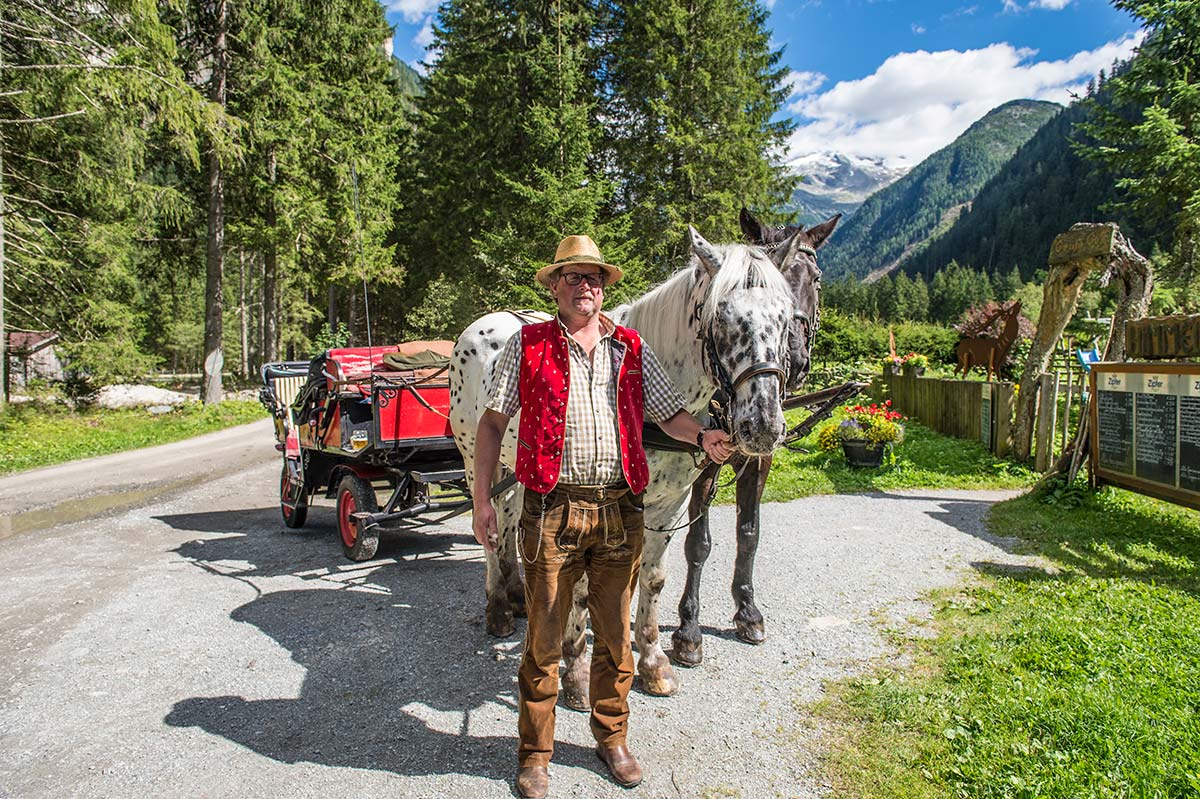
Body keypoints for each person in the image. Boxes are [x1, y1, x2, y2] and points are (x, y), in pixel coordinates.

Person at [471, 234, 734, 798]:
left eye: (593, 278)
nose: (584, 286)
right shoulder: (528, 345)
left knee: (615, 638)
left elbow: (670, 415)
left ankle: (612, 739)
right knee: (542, 639)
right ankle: (535, 755)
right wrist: (482, 500)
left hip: (620, 510)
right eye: (573, 277)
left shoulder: (631, 348)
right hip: (551, 510)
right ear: (556, 286)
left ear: (602, 287)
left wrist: (706, 434)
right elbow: (492, 425)